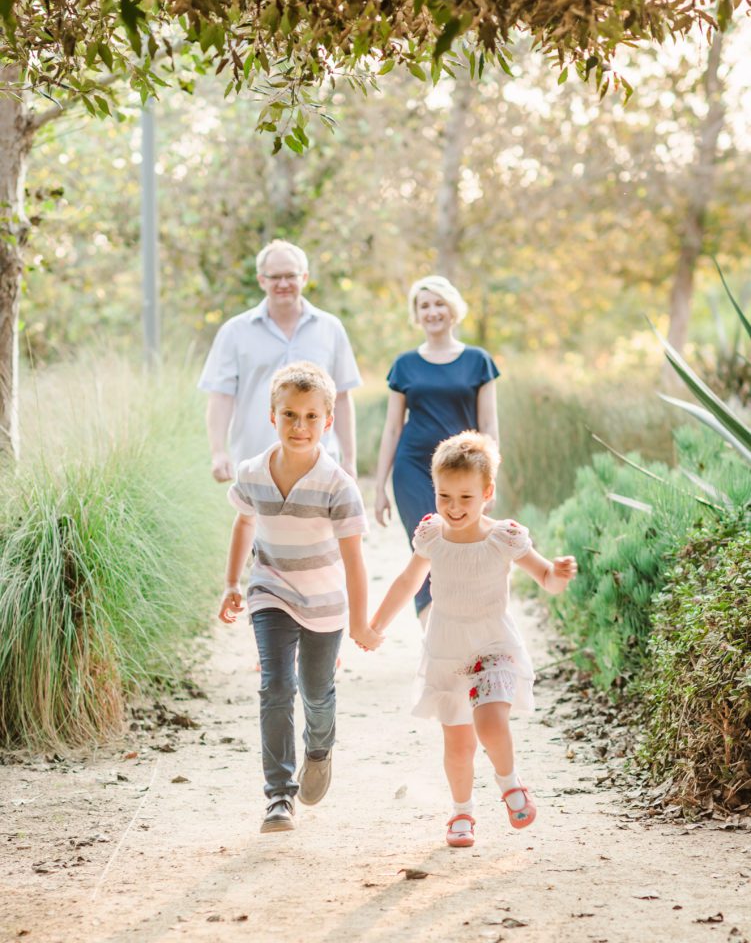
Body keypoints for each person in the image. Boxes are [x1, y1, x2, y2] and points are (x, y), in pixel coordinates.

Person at [369, 431, 577, 848]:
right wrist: (376, 626)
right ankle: (462, 812)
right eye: (445, 496)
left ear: (487, 493)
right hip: (447, 649)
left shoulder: (504, 537)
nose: (454, 507)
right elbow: (408, 582)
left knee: (489, 720)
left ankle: (510, 784)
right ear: (435, 491)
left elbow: (545, 579)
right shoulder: (431, 536)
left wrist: (559, 574)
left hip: (493, 645)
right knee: (458, 743)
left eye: (466, 498)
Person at [218, 362, 382, 834]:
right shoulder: (252, 472)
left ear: (328, 422)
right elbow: (244, 522)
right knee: (276, 686)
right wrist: (232, 583)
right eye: (289, 415)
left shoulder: (337, 486)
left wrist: (360, 621)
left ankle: (319, 748)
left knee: (315, 691)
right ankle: (278, 796)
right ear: (272, 416)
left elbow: (354, 560)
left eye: (311, 417)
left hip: (324, 602)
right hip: (270, 590)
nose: (300, 426)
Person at [374, 276, 500, 624]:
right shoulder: (404, 365)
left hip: (466, 472)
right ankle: (432, 634)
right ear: (417, 314)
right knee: (428, 546)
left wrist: (492, 478)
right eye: (424, 305)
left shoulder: (478, 361)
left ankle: (465, 628)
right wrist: (379, 486)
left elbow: (488, 426)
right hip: (413, 468)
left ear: (453, 308)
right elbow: (392, 428)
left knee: (465, 546)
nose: (432, 311)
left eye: (439, 303)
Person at [199, 239, 361, 482]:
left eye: (290, 276)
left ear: (304, 277)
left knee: (317, 522)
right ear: (261, 280)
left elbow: (342, 397)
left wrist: (349, 459)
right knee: (253, 522)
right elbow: (221, 397)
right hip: (255, 460)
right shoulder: (235, 331)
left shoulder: (330, 328)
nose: (283, 284)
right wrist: (218, 452)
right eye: (275, 277)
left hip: (320, 461)